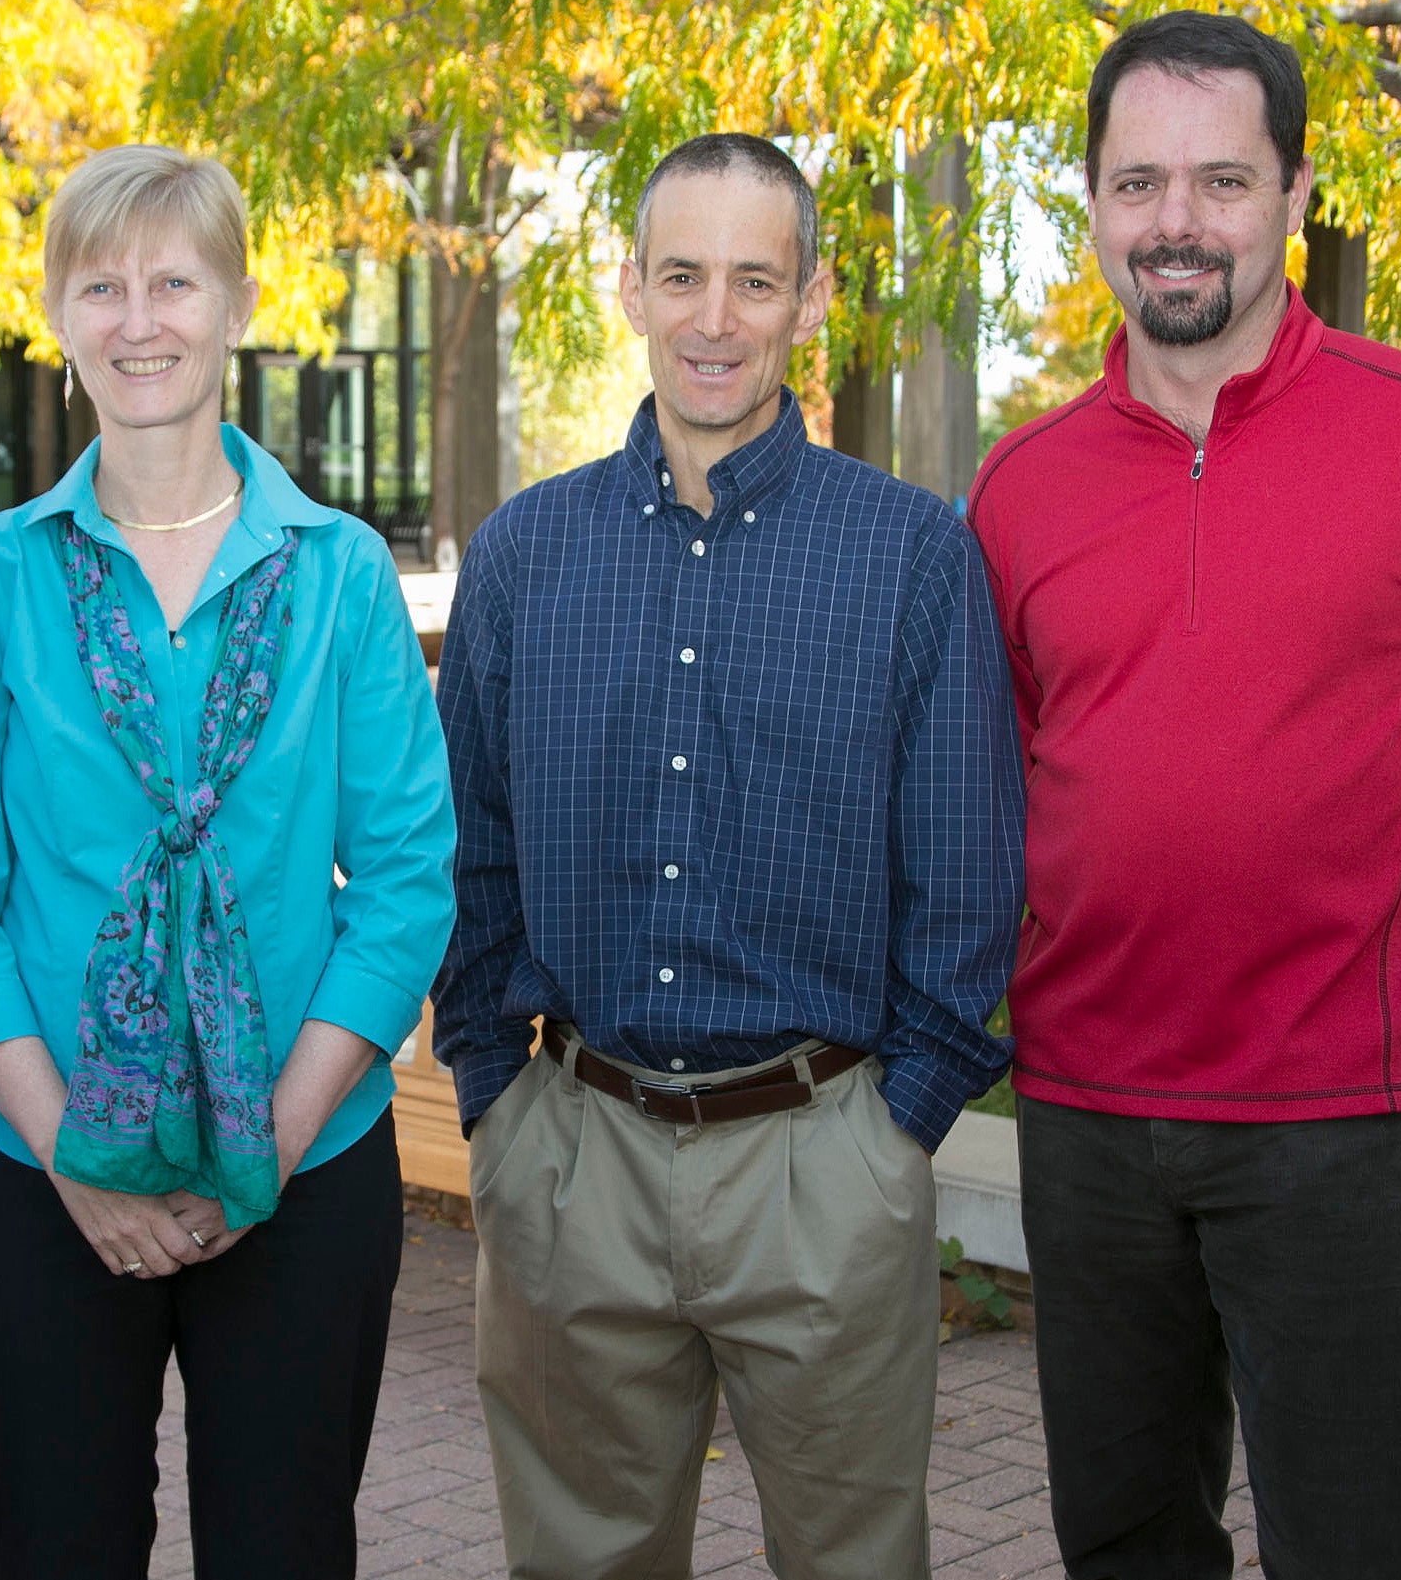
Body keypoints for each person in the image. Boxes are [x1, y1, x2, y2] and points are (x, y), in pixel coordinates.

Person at [967, 10, 1401, 1578]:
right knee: (1122, 1534)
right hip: (1087, 1105)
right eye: (1138, 182)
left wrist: (1386, 936)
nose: (1175, 221)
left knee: (1357, 1538)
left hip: (1331, 1107)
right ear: (1092, 202)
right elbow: (1009, 766)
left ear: (1295, 194)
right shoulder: (1019, 487)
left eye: (1221, 180)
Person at [433, 132, 1026, 1580]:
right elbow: (469, 856)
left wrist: (895, 1132)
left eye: (754, 281)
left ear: (810, 300)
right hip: (575, 1153)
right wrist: (497, 1100)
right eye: (682, 275)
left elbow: (966, 875)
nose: (714, 318)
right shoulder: (522, 556)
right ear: (629, 286)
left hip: (823, 1158)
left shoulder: (910, 556)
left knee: (853, 1561)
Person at [0, 144, 455, 1580]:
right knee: (58, 1545)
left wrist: (267, 1139)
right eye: (101, 287)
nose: (138, 320)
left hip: (305, 1156)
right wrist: (76, 1158)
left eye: (175, 283)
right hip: (41, 1170)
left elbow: (404, 882)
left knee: (284, 1549)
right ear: (58, 317)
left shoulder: (339, 572)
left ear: (239, 304)